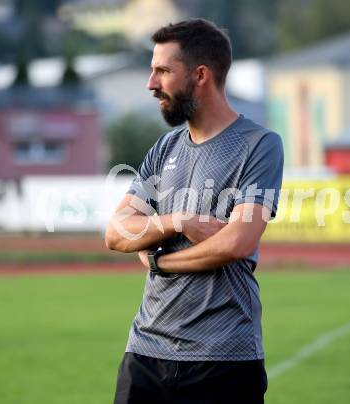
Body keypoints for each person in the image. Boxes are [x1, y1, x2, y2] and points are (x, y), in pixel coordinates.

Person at [105, 18, 284, 404]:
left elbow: (237, 241)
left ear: (200, 75)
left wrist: (159, 262)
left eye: (163, 71)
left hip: (223, 358)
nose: (151, 84)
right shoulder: (164, 148)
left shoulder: (259, 145)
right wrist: (178, 221)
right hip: (145, 354)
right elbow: (117, 232)